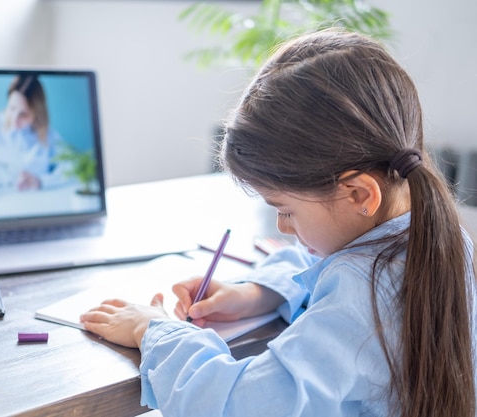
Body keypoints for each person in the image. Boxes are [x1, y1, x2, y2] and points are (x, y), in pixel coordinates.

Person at [79, 29, 477, 417]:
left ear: (359, 194)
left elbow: (229, 405)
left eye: (285, 209)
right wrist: (259, 292)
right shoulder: (435, 236)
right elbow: (329, 282)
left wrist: (154, 330)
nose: (283, 227)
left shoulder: (362, 293)